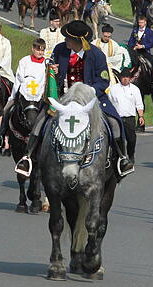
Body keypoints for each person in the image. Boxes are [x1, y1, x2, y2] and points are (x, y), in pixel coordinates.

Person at [13, 20, 134, 178]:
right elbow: (51, 69)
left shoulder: (97, 55)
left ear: (79, 41)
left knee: (114, 121)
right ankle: (28, 156)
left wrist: (88, 91)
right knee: (41, 119)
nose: (65, 41)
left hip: (90, 99)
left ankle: (122, 157)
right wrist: (52, 70)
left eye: (68, 38)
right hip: (63, 98)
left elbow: (103, 80)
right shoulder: (60, 49)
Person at [109, 70, 144, 160]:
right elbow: (109, 103)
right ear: (120, 78)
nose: (125, 79)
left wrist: (141, 116)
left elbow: (139, 104)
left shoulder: (135, 89)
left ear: (130, 78)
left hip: (130, 118)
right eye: (123, 77)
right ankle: (121, 157)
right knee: (118, 139)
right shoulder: (113, 89)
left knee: (131, 139)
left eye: (127, 77)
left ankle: (131, 155)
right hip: (117, 118)